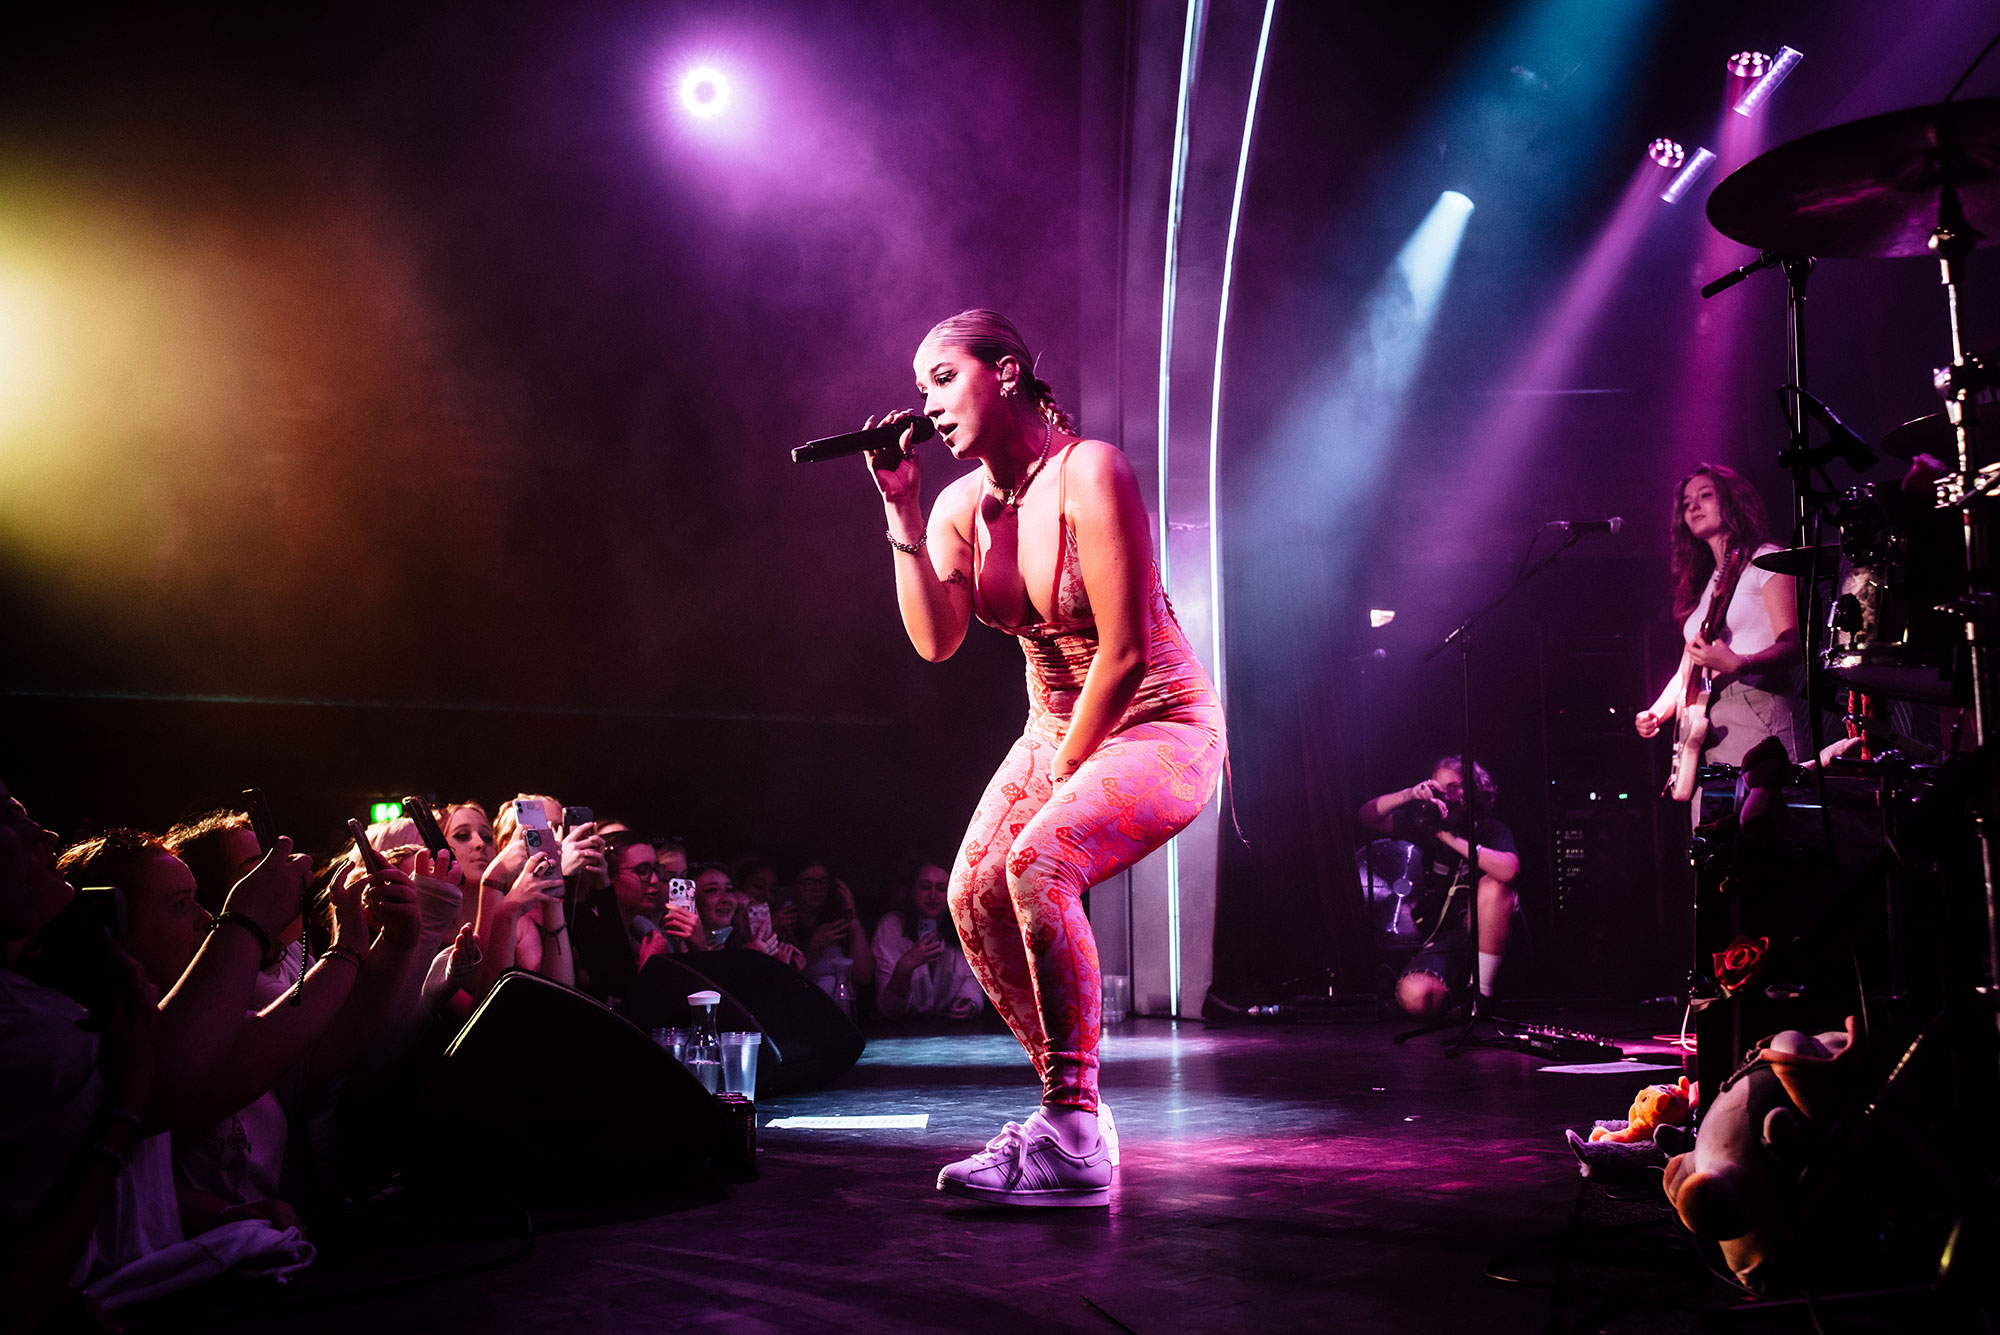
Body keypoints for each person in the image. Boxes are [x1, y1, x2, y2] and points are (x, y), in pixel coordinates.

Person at [864, 309, 1226, 1205]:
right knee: (971, 891)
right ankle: (1072, 1114)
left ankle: (1069, 1130)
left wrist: (1066, 773)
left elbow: (1130, 651)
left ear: (1010, 371)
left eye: (944, 379)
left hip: (1159, 722)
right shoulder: (956, 506)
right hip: (1054, 728)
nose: (930, 406)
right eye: (921, 391)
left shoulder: (1091, 470)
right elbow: (935, 641)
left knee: (1038, 860)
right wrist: (901, 507)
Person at [1636, 464, 1806, 775]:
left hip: (1756, 701)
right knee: (1712, 822)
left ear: (1731, 501)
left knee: (1761, 818)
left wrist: (1741, 663)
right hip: (1707, 720)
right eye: (1687, 504)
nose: (1694, 506)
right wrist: (1657, 713)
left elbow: (1795, 643)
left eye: (1705, 495)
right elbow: (1687, 669)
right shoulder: (1709, 584)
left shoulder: (1766, 558)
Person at [1357, 757, 1521, 1016]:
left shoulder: (1491, 829)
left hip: (1492, 940)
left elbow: (1509, 871)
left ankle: (1482, 997)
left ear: (1476, 788)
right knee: (1415, 995)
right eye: (1440, 788)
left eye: (1455, 786)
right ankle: (1457, 998)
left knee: (1493, 886)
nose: (1448, 794)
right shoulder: (1424, 826)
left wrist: (1450, 839)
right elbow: (1368, 816)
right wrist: (1409, 795)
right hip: (1445, 943)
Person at [872, 861, 984, 1020]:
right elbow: (887, 1007)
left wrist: (968, 1004)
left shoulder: (964, 928)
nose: (932, 896)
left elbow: (971, 980)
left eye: (941, 889)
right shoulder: (891, 926)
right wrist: (906, 966)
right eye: (925, 887)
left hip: (952, 1031)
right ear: (912, 891)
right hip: (901, 1032)